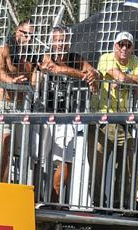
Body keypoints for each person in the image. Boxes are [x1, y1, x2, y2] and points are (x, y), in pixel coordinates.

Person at [35, 26, 98, 202]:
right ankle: (35, 198)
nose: (60, 44)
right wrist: (82, 75)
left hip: (67, 115)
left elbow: (93, 72)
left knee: (66, 161)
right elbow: (52, 68)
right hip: (45, 113)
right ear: (52, 42)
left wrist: (91, 76)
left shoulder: (74, 58)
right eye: (57, 40)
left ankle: (53, 200)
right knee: (38, 159)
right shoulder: (47, 55)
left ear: (68, 42)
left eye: (63, 40)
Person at [91, 30, 138, 209]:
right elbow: (120, 77)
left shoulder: (135, 60)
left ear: (132, 49)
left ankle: (121, 203)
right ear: (115, 46)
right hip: (102, 118)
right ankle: (98, 204)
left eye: (128, 45)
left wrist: (128, 81)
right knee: (98, 165)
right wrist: (134, 83)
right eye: (121, 44)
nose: (124, 48)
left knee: (128, 161)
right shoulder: (106, 58)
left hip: (123, 120)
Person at [0, 20, 33, 182]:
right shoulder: (3, 48)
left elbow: (34, 80)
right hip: (1, 104)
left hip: (20, 106)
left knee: (11, 150)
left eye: (32, 35)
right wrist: (12, 81)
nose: (29, 38)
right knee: (4, 139)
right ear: (17, 31)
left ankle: (4, 185)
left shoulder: (30, 55)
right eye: (26, 34)